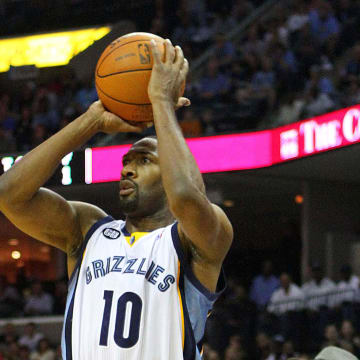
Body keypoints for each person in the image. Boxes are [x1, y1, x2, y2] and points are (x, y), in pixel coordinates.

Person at [0, 39, 233, 360]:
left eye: (143, 161)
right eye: (126, 162)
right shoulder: (88, 229)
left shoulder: (195, 237)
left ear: (171, 169)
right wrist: (89, 122)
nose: (128, 170)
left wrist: (161, 102)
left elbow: (185, 196)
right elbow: (9, 195)